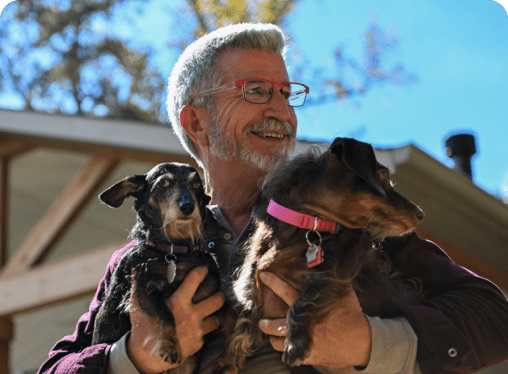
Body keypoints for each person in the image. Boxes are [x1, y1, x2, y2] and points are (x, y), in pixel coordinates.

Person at [38, 23, 508, 374]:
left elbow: (494, 316)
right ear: (196, 123)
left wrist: (372, 342)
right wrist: (131, 356)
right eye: (257, 91)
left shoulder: (344, 220)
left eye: (286, 93)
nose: (281, 111)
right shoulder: (143, 258)